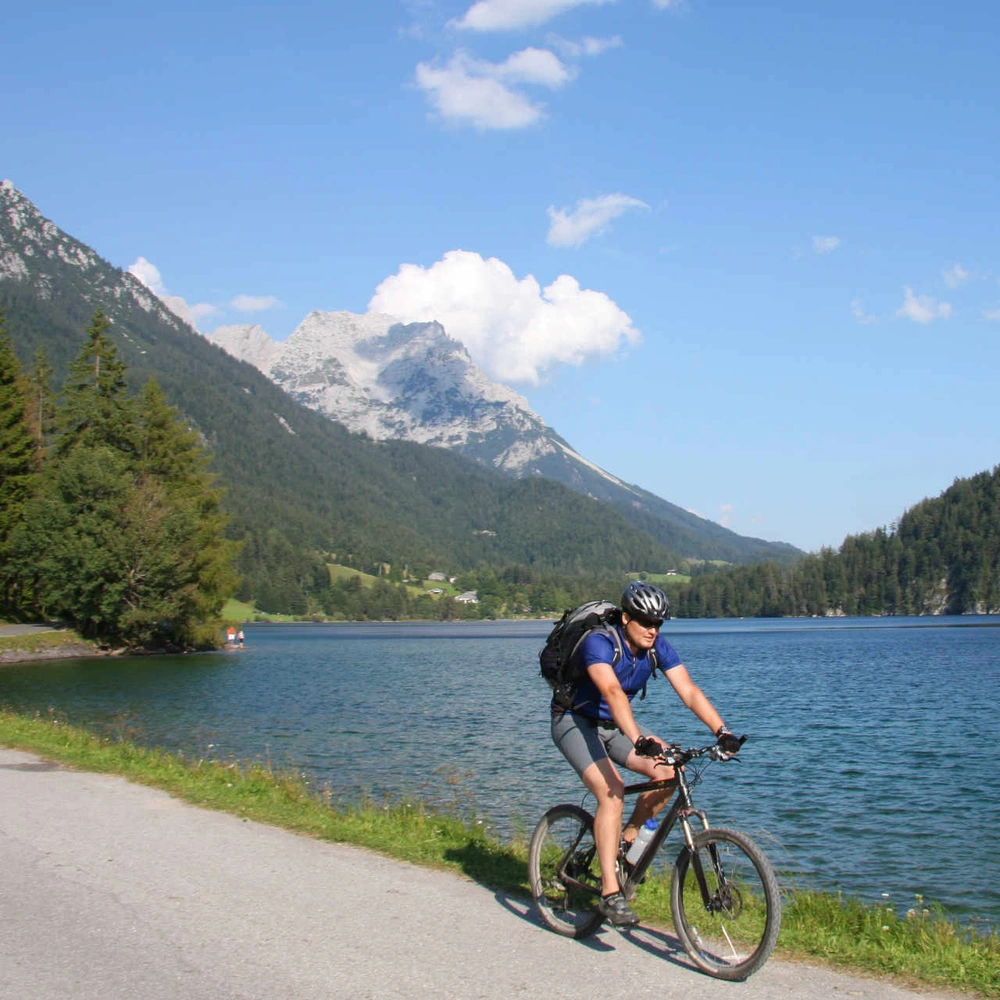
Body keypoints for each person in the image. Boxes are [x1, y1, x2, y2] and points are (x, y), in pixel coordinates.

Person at [550, 581, 742, 928]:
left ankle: (626, 840)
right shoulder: (600, 642)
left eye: (659, 624)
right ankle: (611, 893)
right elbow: (610, 690)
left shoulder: (657, 648)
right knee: (613, 793)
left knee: (669, 772)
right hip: (574, 722)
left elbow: (689, 691)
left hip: (613, 727)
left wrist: (722, 731)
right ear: (626, 618)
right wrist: (638, 738)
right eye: (645, 622)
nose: (653, 630)